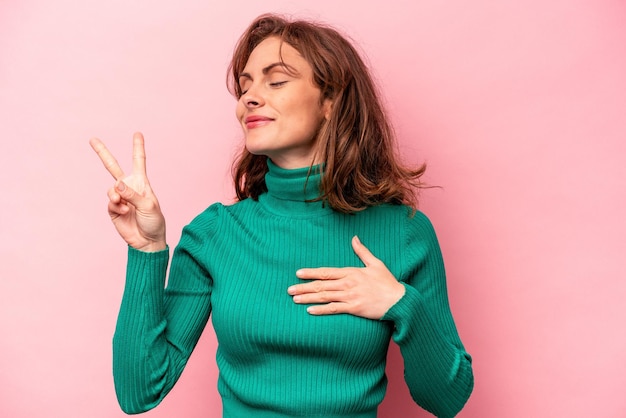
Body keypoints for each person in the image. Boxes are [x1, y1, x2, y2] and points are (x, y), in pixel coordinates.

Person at [90, 13, 473, 418]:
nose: (249, 98)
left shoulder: (404, 233)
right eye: (245, 86)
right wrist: (147, 251)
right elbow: (139, 391)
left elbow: (448, 399)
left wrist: (400, 303)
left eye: (276, 81)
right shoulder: (215, 235)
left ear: (330, 100)